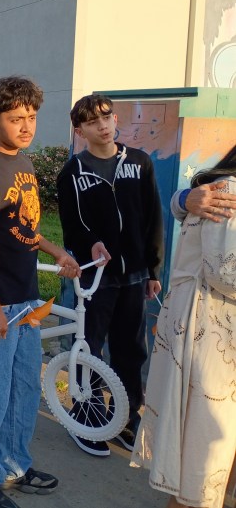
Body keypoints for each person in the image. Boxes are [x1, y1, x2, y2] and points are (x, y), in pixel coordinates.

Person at [0, 76, 80, 507]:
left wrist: (55, 249)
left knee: (23, 387)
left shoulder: (23, 163)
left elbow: (23, 225)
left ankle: (11, 464)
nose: (26, 126)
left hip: (26, 298)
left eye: (31, 117)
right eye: (16, 118)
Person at [56, 93, 164, 457]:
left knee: (130, 351)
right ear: (80, 129)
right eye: (92, 121)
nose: (102, 125)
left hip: (134, 275)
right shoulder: (72, 172)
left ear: (115, 119)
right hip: (94, 277)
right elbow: (71, 228)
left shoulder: (139, 162)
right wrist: (92, 245)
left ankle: (127, 418)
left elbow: (152, 218)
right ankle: (88, 415)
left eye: (107, 117)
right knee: (89, 347)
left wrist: (153, 268)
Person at [131, 144, 236, 508]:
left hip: (210, 327)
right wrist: (182, 198)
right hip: (212, 331)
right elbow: (227, 270)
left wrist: (181, 198)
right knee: (202, 456)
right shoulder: (229, 193)